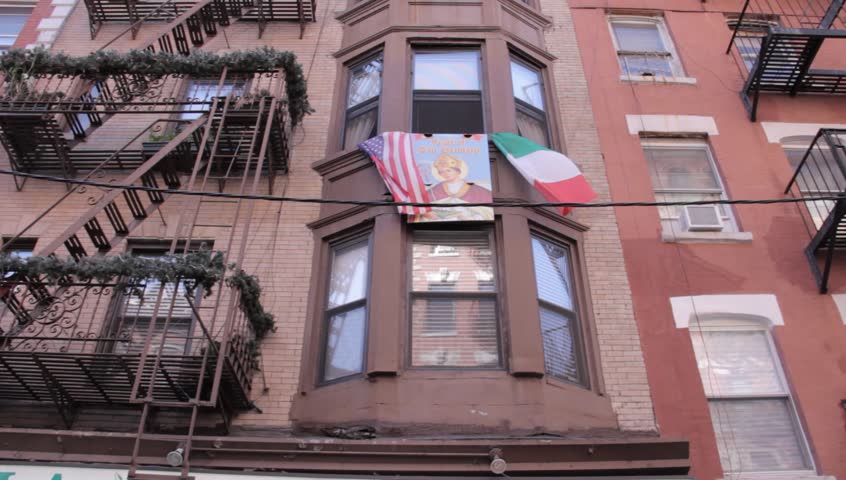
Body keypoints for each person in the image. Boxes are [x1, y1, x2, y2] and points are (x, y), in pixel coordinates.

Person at [419, 154, 493, 221]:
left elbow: (488, 212)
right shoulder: (435, 190)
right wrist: (426, 213)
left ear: (458, 171)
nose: (445, 174)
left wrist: (472, 218)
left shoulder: (476, 190)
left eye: (448, 170)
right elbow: (419, 207)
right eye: (441, 172)